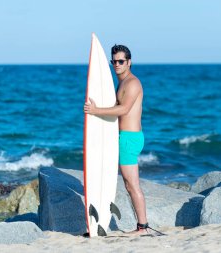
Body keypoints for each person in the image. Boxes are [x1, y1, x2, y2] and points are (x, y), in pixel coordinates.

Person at [84, 44, 149, 235]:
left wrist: (96, 111)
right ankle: (140, 226)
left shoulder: (132, 83)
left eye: (121, 61)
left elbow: (124, 109)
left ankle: (143, 227)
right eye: (114, 61)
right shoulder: (121, 83)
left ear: (129, 62)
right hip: (123, 137)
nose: (117, 64)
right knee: (129, 184)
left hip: (129, 139)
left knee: (132, 184)